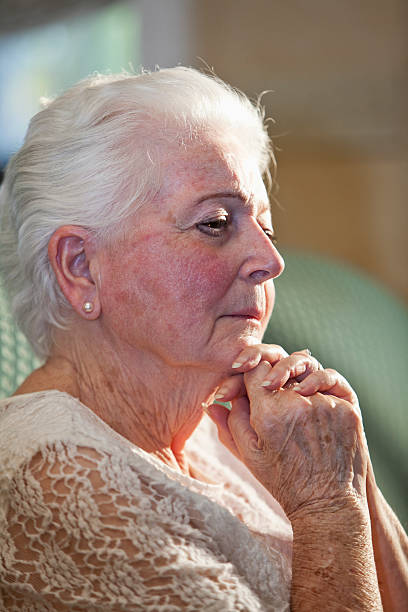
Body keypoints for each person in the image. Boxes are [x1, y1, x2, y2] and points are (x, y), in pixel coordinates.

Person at [0, 67, 406, 612]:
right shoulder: (51, 479)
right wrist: (325, 504)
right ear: (80, 268)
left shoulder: (222, 430)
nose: (271, 261)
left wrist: (348, 467)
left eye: (266, 226)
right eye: (215, 223)